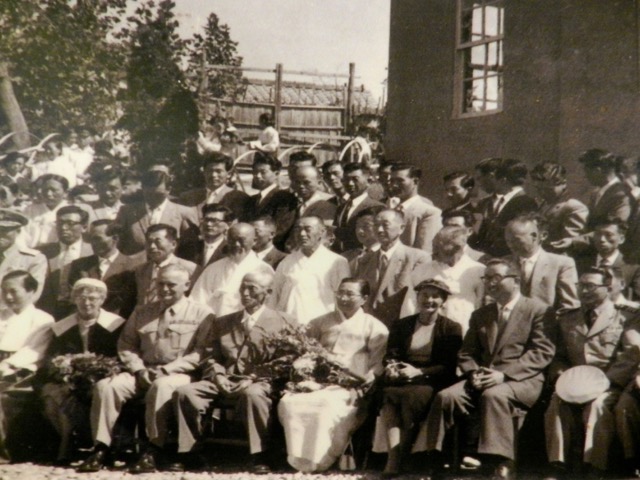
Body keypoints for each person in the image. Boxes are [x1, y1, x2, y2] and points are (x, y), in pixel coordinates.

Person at [425, 259, 555, 480]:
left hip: (523, 379)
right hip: (483, 377)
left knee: (494, 395)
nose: (490, 283)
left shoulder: (539, 310)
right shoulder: (481, 314)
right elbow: (467, 353)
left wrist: (504, 374)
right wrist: (473, 372)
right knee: (447, 396)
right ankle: (437, 458)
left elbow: (542, 352)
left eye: (496, 278)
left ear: (515, 281)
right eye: (486, 278)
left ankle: (501, 463)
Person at [78, 264, 212, 473]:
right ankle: (102, 448)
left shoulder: (202, 314)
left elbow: (201, 352)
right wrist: (139, 369)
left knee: (161, 386)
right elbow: (126, 344)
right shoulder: (142, 311)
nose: (165, 289)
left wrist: (167, 370)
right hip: (143, 370)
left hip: (179, 374)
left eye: (171, 285)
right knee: (106, 387)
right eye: (160, 284)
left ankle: (153, 449)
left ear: (187, 285)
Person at [173, 271, 292, 473]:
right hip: (224, 379)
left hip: (259, 381)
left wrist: (254, 377)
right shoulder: (223, 322)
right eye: (242, 288)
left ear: (268, 292)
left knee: (252, 395)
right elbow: (211, 356)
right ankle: (190, 452)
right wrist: (218, 375)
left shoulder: (284, 322)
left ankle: (259, 455)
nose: (245, 293)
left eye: (252, 289)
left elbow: (287, 360)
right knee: (185, 393)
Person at [278, 278, 389, 472]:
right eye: (340, 293)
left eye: (350, 294)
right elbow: (306, 353)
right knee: (289, 402)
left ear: (364, 298)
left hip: (350, 384)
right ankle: (298, 457)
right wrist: (304, 374)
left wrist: (364, 385)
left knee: (326, 406)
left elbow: (376, 365)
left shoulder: (374, 327)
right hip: (316, 381)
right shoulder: (320, 322)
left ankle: (322, 459)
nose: (343, 298)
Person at [544, 267, 640, 478]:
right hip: (575, 383)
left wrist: (605, 382)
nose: (584, 291)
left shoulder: (625, 317)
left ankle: (595, 466)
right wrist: (561, 375)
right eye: (581, 286)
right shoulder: (567, 318)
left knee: (598, 405)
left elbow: (632, 355)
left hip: (608, 384)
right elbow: (559, 355)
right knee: (556, 402)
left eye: (591, 286)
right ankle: (557, 464)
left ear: (607, 288)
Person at [378, 279, 463, 476]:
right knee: (388, 394)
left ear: (443, 302)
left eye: (435, 296)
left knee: (412, 396)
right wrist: (392, 366)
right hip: (402, 376)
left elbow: (448, 365)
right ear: (417, 298)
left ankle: (403, 456)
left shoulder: (451, 328)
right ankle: (394, 456)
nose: (429, 300)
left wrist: (420, 372)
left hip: (431, 379)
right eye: (424, 295)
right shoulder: (402, 324)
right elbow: (391, 354)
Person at [40, 279, 126, 465]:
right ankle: (67, 441)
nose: (86, 303)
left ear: (102, 299)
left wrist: (95, 369)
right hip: (69, 378)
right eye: (81, 297)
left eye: (93, 298)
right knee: (52, 393)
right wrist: (62, 368)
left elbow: (121, 355)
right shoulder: (63, 327)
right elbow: (50, 358)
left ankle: (69, 445)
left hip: (102, 376)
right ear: (74, 299)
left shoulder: (116, 325)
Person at [353, 209, 430, 326]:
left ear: (401, 228)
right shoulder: (365, 260)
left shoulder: (417, 258)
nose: (379, 230)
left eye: (385, 225)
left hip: (401, 326)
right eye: (376, 225)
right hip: (369, 326)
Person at [270, 216, 350, 325]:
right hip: (288, 326)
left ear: (322, 232)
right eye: (297, 229)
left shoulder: (337, 262)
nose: (302, 234)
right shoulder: (286, 262)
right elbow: (274, 296)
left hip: (321, 326)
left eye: (308, 229)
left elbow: (343, 298)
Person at [408, 226, 485, 334]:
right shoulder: (421, 270)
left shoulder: (478, 271)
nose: (433, 253)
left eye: (438, 248)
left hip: (463, 333)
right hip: (425, 334)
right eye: (433, 246)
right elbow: (409, 306)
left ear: (457, 248)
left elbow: (481, 307)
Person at [190, 223, 273, 317]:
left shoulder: (263, 269)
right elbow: (197, 301)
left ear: (254, 241)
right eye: (232, 240)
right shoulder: (214, 268)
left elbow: (269, 304)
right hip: (214, 324)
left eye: (241, 240)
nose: (236, 244)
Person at [113, 164, 198, 255]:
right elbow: (117, 246)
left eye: (158, 195)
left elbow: (192, 249)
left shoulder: (184, 213)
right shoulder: (127, 211)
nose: (153, 198)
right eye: (148, 194)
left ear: (168, 189)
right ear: (143, 188)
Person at [504, 213, 580, 313]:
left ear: (535, 236)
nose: (511, 245)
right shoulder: (504, 263)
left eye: (516, 240)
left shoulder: (561, 263)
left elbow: (570, 305)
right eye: (508, 241)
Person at [68, 220, 141, 319]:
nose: (93, 243)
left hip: (117, 325)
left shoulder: (133, 266)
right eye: (91, 239)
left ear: (115, 238)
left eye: (97, 239)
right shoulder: (80, 265)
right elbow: (73, 299)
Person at [469, 158, 538, 257]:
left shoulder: (526, 203)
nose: (478, 184)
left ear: (501, 179)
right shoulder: (484, 203)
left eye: (479, 178)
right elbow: (475, 233)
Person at [37, 205, 94, 319]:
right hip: (47, 313)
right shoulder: (42, 252)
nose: (63, 227)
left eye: (70, 223)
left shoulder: (93, 252)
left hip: (81, 313)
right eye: (59, 223)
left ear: (84, 227)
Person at [574, 219, 640, 301]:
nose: (601, 239)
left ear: (621, 239)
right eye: (598, 234)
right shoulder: (580, 263)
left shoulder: (634, 268)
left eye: (608, 235)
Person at [530, 161, 588, 253]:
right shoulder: (544, 204)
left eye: (548, 189)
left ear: (563, 183)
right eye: (539, 189)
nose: (542, 193)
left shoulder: (573, 206)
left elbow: (571, 244)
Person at [134, 224, 196, 306]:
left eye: (157, 242)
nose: (152, 246)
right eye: (149, 242)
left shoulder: (191, 269)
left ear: (173, 244)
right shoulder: (141, 270)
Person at [178, 152, 251, 221]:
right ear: (204, 172)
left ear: (228, 174)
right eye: (209, 171)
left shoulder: (239, 198)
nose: (213, 175)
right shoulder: (187, 197)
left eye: (218, 171)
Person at [387, 163, 442, 254]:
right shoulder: (391, 210)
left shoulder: (429, 213)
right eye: (392, 181)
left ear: (415, 182)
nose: (394, 185)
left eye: (400, 181)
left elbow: (424, 253)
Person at [246, 153, 297, 250]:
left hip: (273, 250)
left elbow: (282, 229)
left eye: (263, 172)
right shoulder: (252, 200)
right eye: (255, 172)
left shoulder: (285, 198)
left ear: (276, 174)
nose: (258, 176)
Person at [177, 204, 234, 284]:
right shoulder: (187, 247)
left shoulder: (230, 251)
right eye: (206, 220)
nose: (209, 224)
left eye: (215, 221)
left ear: (228, 225)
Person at [333, 163, 384, 253]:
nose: (350, 183)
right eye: (346, 180)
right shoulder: (342, 207)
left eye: (355, 179)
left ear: (368, 181)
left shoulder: (376, 207)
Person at [0, 209, 47, 305]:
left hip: (12, 315)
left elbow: (33, 295)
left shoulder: (33, 259)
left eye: (5, 230)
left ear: (18, 231)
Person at [579, 148, 633, 229]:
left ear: (597, 171)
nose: (585, 176)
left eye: (586, 171)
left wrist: (575, 240)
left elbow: (615, 230)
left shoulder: (622, 195)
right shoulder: (596, 194)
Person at [22, 174, 72, 248]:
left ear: (65, 192)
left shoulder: (71, 211)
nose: (48, 194)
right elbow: (22, 235)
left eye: (54, 190)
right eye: (45, 190)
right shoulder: (30, 210)